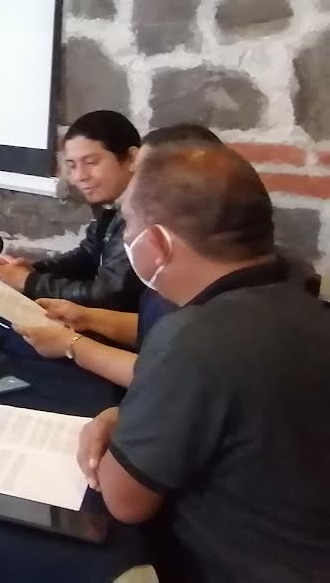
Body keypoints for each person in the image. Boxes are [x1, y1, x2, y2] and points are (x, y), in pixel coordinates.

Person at [75, 142, 330, 582]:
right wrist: (127, 414)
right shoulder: (299, 289)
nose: (126, 236)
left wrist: (118, 423)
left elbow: (125, 501)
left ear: (156, 243)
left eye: (129, 223)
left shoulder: (194, 339)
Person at [18, 123, 225, 385]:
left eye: (141, 178)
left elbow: (169, 380)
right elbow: (157, 327)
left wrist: (73, 345)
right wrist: (87, 317)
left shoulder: (221, 302)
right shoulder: (185, 276)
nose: (80, 176)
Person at [0, 110, 142, 310]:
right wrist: (32, 270)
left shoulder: (145, 215)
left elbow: (107, 296)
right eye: (72, 166)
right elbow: (87, 256)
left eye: (91, 162)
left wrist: (29, 281)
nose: (79, 177)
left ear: (132, 158)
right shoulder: (114, 207)